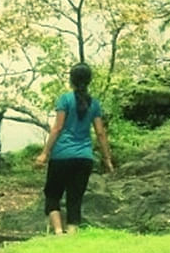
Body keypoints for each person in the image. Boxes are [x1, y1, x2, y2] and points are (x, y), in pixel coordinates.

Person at [34, 63, 114, 235]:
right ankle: (71, 236)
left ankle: (58, 232)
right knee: (75, 199)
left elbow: (57, 128)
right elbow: (100, 133)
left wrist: (45, 153)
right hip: (84, 157)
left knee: (53, 195)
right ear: (89, 81)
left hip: (61, 156)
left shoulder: (65, 99)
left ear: (71, 80)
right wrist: (107, 159)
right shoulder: (95, 104)